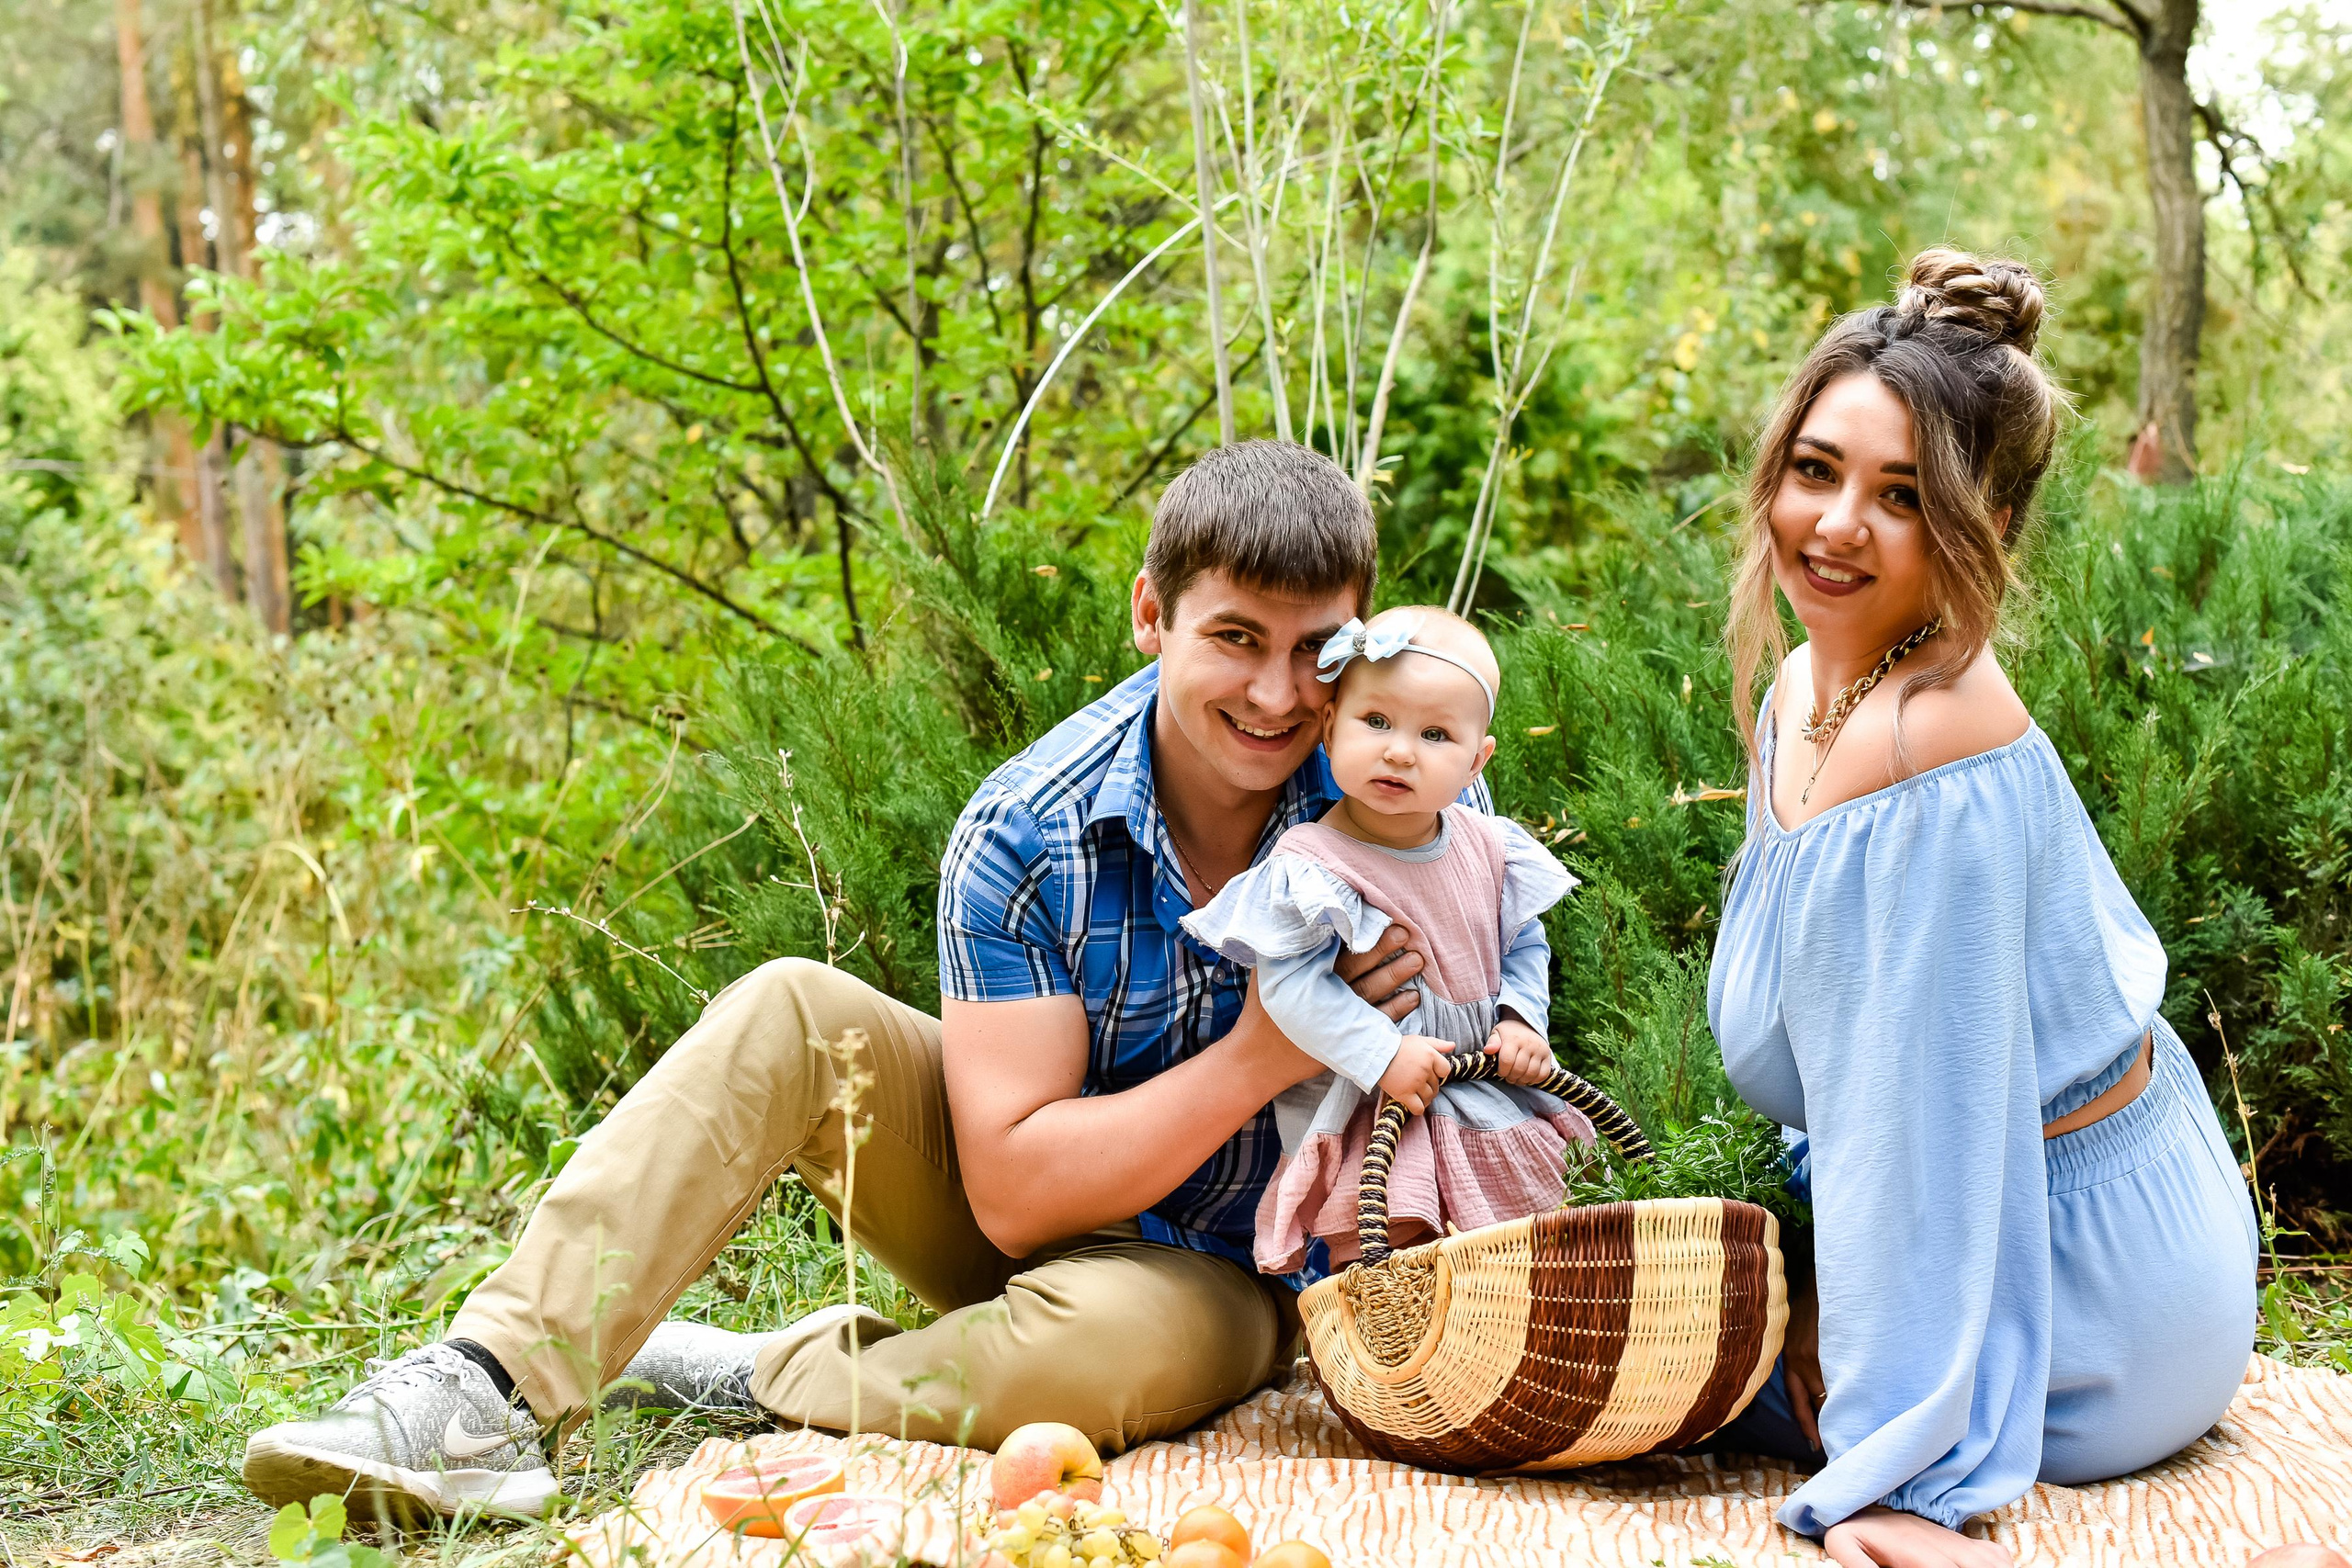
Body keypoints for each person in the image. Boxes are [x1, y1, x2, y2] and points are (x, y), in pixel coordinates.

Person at [239, 440, 1482, 1524]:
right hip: (1037, 1210)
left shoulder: (1407, 790)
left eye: (1314, 650)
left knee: (1103, 1354)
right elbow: (1012, 1199)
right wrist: (1268, 1048)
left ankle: (767, 1373)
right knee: (791, 1006)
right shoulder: (1029, 829)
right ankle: (490, 1386)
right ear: (1154, 616)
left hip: (1241, 1271)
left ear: (1361, 640)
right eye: (1234, 638)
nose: (1275, 692)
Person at [1704, 249, 2259, 1568]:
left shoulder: (1927, 745)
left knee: (1667, 1384)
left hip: (2086, 1283)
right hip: (1976, 1207)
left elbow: (1928, 1130)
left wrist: (1899, 1468)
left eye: (1903, 496)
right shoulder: (1808, 688)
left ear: (1989, 528)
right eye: (1817, 469)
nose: (1837, 524)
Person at [1182, 606, 1588, 1280]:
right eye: (1377, 722)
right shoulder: (1315, 866)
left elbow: (1522, 940)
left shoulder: (1489, 846)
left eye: (1434, 734)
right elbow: (1290, 987)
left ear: (1475, 760)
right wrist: (1382, 1053)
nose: (1400, 750)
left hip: (1483, 1081)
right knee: (1394, 1250)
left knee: (1522, 1241)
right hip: (1380, 1100)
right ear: (1331, 725)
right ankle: (1399, 1368)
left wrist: (1520, 1018)